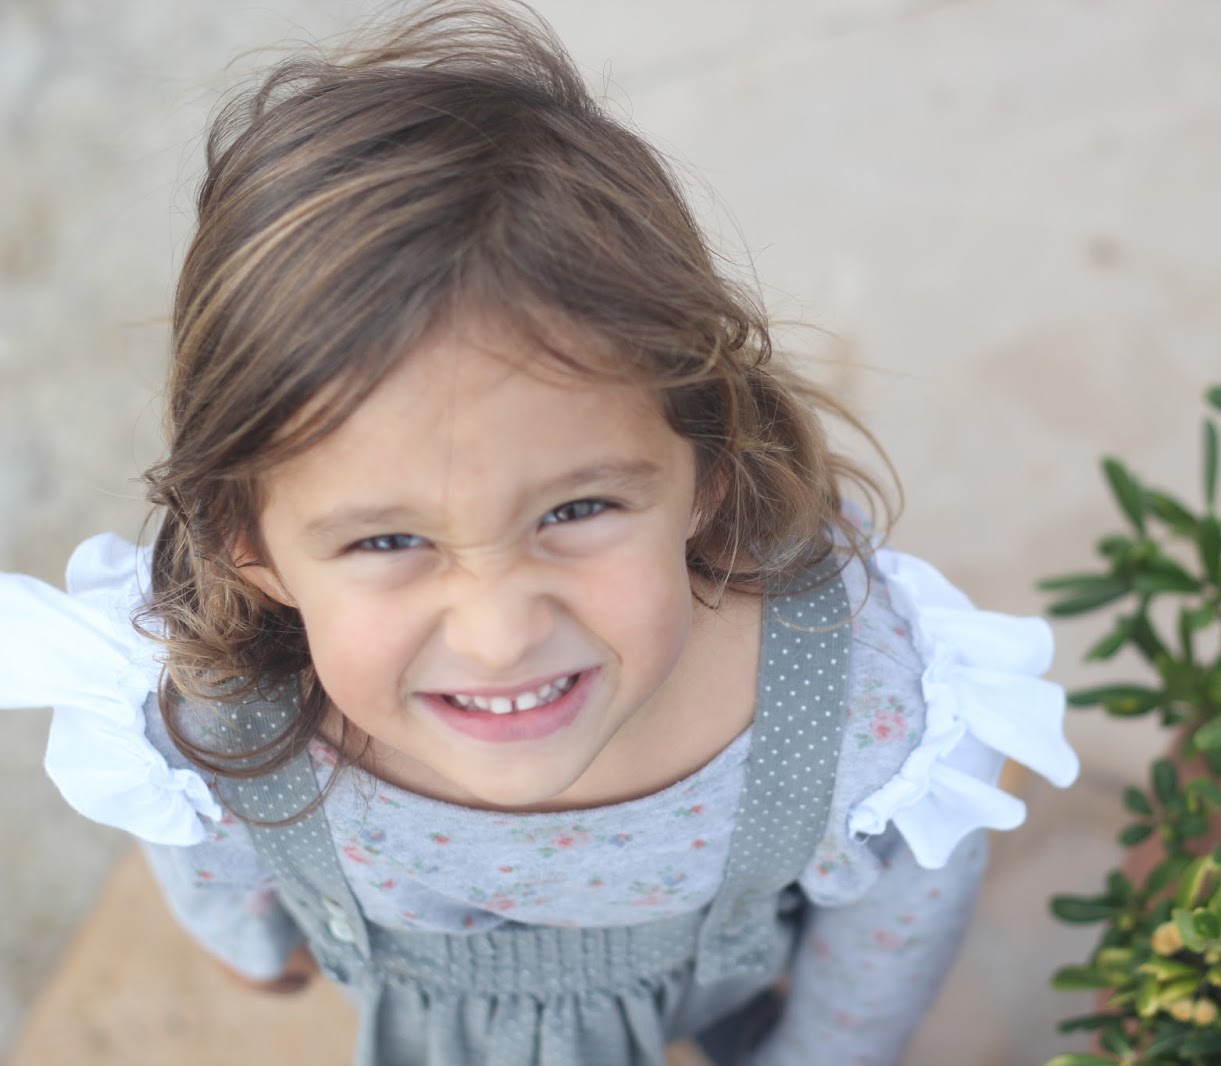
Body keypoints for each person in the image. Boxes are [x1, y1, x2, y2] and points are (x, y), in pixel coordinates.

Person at [0, 4, 1077, 1063]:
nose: (501, 634)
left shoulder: (852, 711)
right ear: (249, 545)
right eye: (387, 542)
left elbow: (891, 940)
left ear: (707, 467)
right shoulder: (226, 711)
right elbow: (209, 860)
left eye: (575, 510)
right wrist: (249, 937)